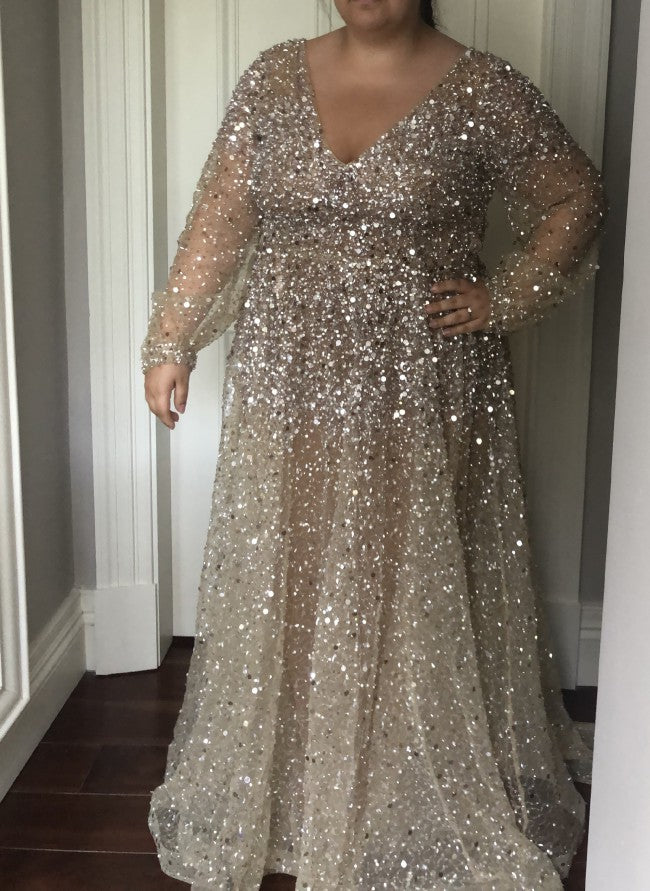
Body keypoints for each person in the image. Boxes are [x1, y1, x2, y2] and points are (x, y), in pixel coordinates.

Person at [140, 0, 608, 888]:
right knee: (296, 562)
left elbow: (575, 194)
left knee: (398, 567)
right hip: (288, 375)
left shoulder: (483, 88)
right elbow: (222, 217)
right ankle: (296, 775)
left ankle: (396, 776)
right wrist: (172, 339)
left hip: (418, 387)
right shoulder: (273, 78)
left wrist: (505, 295)